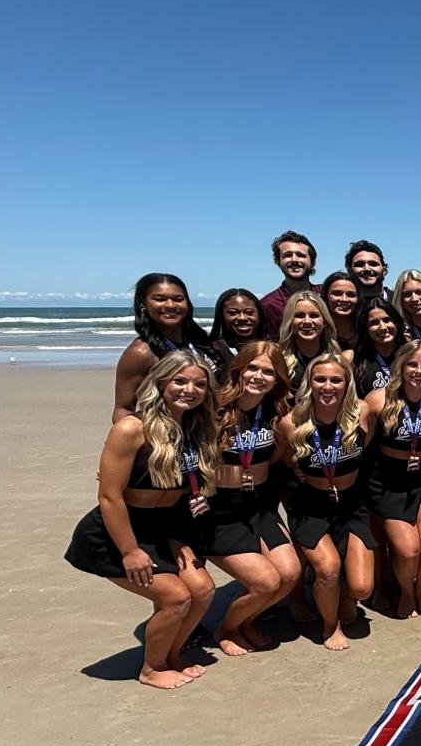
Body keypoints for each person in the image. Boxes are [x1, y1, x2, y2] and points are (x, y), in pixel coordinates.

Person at [65, 351, 218, 688]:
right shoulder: (132, 428)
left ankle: (172, 655)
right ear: (161, 382)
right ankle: (151, 668)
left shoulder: (196, 427)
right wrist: (130, 551)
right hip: (118, 532)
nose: (189, 390)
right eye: (180, 381)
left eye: (199, 384)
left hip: (165, 527)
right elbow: (109, 496)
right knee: (175, 598)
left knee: (203, 590)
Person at [193, 342, 301, 656]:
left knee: (290, 574)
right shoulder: (213, 408)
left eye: (268, 371)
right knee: (267, 583)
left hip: (259, 505)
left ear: (277, 378)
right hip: (219, 510)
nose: (258, 376)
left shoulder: (277, 412)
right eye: (253, 368)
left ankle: (246, 618)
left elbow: (278, 454)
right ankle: (226, 628)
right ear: (239, 368)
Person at [278, 352, 375, 650]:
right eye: (320, 379)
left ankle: (346, 599)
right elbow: (286, 462)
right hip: (311, 504)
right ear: (309, 383)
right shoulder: (290, 423)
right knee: (329, 569)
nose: (328, 386)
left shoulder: (362, 411)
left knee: (361, 587)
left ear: (347, 384)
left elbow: (365, 451)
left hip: (351, 503)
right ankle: (329, 625)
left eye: (336, 379)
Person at [364, 340, 421, 618]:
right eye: (412, 364)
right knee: (407, 551)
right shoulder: (379, 399)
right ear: (400, 367)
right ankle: (405, 591)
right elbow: (362, 447)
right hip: (390, 481)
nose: (418, 370)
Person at [113, 272, 218, 421]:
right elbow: (123, 409)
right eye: (159, 299)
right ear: (143, 304)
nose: (170, 305)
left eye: (178, 299)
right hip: (168, 436)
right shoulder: (141, 351)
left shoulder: (198, 342)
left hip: (206, 435)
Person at [278, 290, 344, 394]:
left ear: (325, 321)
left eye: (314, 315)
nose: (307, 322)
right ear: (289, 321)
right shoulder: (277, 359)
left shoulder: (338, 358)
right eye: (299, 315)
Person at [259, 230, 318, 335]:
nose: (294, 260)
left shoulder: (326, 295)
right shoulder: (268, 305)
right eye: (288, 255)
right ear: (278, 261)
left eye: (300, 255)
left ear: (313, 262)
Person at [352, 298, 405, 395]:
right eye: (374, 323)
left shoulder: (410, 355)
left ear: (396, 322)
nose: (383, 327)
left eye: (387, 320)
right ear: (365, 328)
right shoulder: (355, 361)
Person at [208, 288, 269, 363]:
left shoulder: (272, 349)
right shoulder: (213, 353)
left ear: (259, 315)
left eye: (249, 312)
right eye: (233, 313)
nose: (242, 318)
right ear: (221, 317)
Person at [321, 270, 363, 348]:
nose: (344, 299)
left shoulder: (366, 331)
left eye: (351, 295)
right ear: (326, 296)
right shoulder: (318, 332)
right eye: (337, 294)